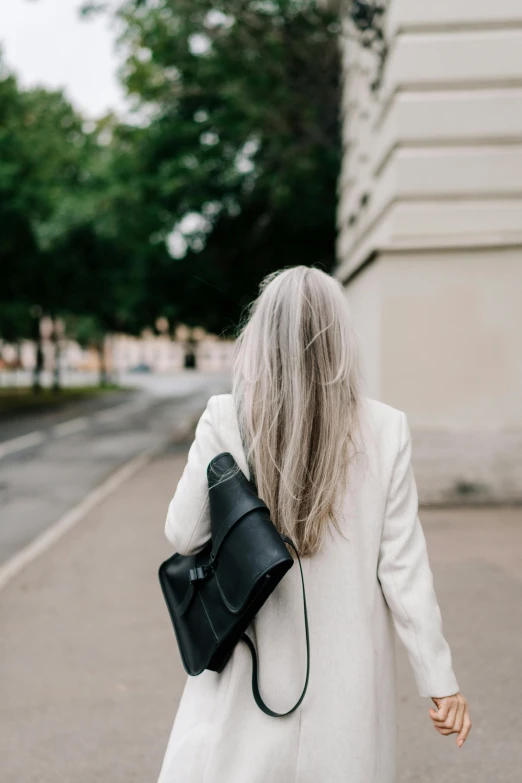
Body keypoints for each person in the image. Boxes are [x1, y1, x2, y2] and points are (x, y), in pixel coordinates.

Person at [157, 265, 472, 783]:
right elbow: (405, 572)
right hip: (345, 683)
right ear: (341, 339)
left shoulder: (227, 416)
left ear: (260, 336)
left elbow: (184, 534)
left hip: (250, 668)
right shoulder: (385, 427)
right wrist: (440, 681)